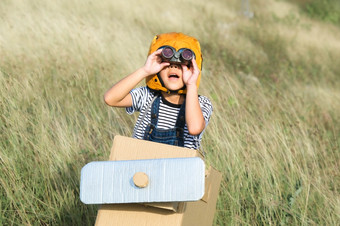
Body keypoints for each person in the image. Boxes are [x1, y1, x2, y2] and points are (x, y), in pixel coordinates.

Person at [104, 32, 212, 152]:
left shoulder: (201, 103)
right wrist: (145, 70)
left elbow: (195, 128)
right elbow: (110, 99)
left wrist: (191, 84)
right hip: (143, 166)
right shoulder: (147, 96)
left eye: (181, 65)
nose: (174, 67)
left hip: (180, 169)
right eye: (167, 64)